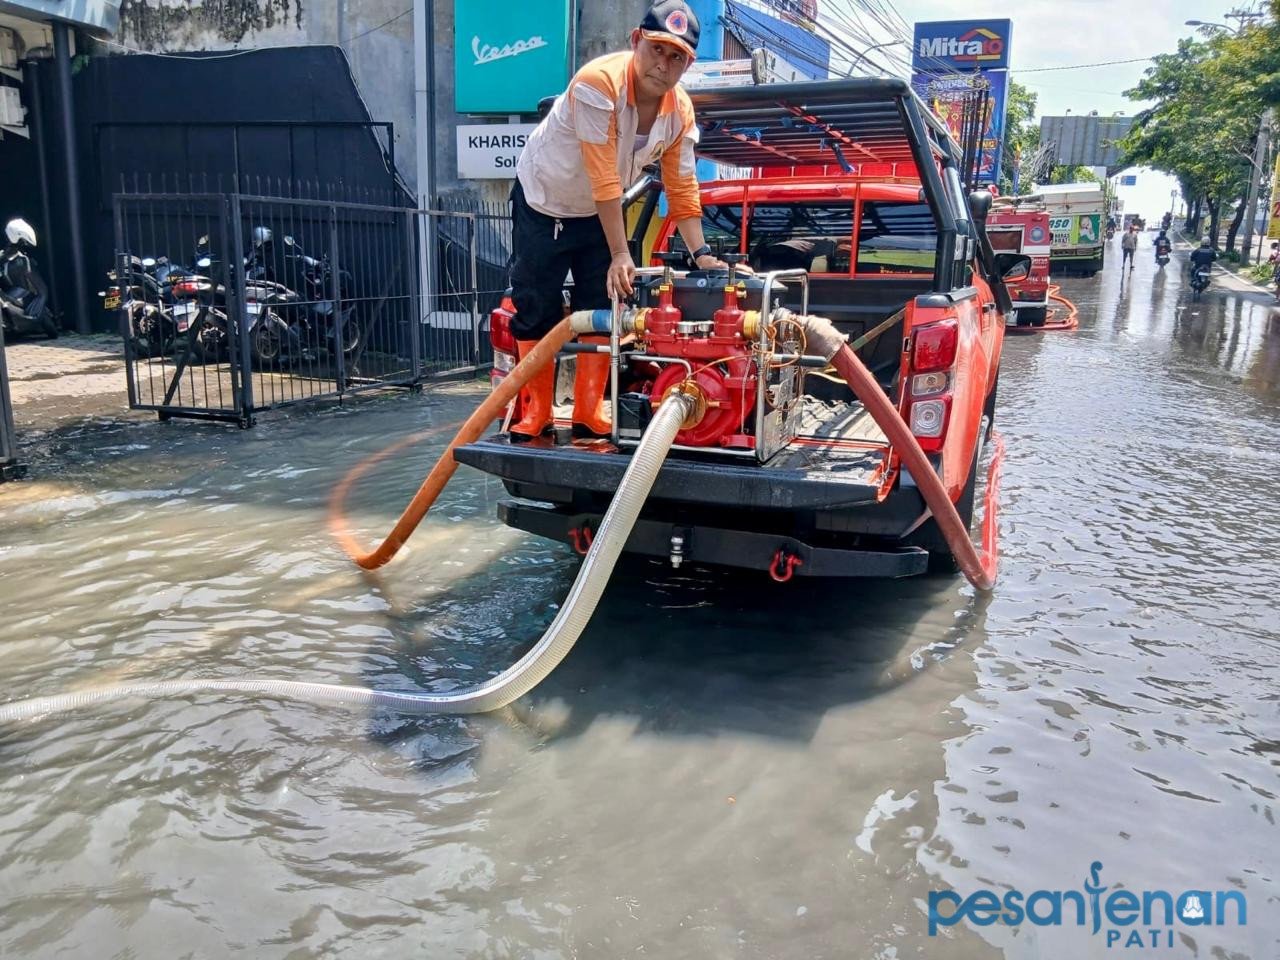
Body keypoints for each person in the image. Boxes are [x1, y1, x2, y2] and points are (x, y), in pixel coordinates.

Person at [507, 0, 734, 441]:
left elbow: (683, 186)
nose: (663, 64)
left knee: (602, 305)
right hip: (543, 203)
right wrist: (619, 252)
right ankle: (537, 413)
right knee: (536, 306)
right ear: (636, 42)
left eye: (677, 57)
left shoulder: (679, 112)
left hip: (597, 211)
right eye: (657, 49)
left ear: (687, 65)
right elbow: (603, 175)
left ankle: (589, 410)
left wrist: (702, 254)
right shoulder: (599, 84)